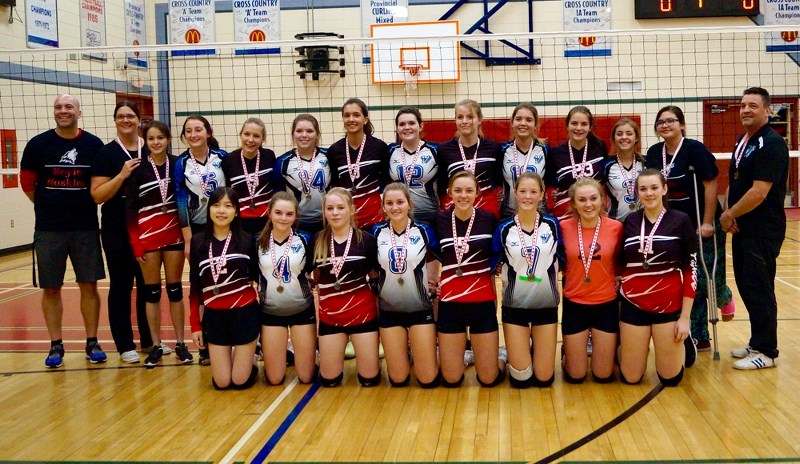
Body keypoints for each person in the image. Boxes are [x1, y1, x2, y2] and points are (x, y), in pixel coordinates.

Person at [20, 94, 107, 368]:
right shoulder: (38, 145)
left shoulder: (93, 145)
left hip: (85, 228)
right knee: (51, 288)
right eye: (58, 107)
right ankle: (56, 344)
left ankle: (92, 341)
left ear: (79, 113)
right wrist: (49, 205)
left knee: (89, 286)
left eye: (69, 107)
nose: (63, 111)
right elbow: (27, 184)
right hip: (49, 229)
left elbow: (98, 184)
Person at [645, 105, 734, 355]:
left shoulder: (694, 149)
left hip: (700, 222)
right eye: (660, 122)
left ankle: (724, 296)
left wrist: (707, 222)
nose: (665, 125)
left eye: (670, 121)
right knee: (689, 279)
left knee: (708, 278)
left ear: (681, 124)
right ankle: (700, 336)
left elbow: (710, 184)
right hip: (674, 226)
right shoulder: (653, 153)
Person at [720, 87, 789, 370]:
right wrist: (728, 211)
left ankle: (767, 351)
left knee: (760, 286)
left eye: (753, 105)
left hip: (763, 228)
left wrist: (729, 213)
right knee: (748, 285)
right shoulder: (744, 140)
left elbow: (759, 192)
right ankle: (756, 340)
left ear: (767, 110)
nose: (746, 110)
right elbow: (736, 181)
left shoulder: (772, 143)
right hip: (742, 226)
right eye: (742, 105)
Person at [619, 169, 696, 386]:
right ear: (637, 193)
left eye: (654, 188)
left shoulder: (681, 220)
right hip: (633, 303)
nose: (649, 193)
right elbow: (620, 262)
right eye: (643, 189)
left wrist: (685, 318)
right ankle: (624, 347)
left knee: (670, 380)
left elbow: (691, 269)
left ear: (664, 189)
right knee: (631, 378)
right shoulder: (630, 222)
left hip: (668, 305)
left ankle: (686, 345)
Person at [126, 121, 193, 368]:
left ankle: (180, 343)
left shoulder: (178, 164)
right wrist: (136, 243)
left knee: (175, 290)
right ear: (146, 141)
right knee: (151, 292)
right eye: (151, 138)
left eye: (160, 138)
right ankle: (155, 345)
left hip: (174, 234)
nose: (156, 142)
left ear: (168, 139)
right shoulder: (137, 168)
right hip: (148, 236)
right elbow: (131, 209)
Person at [90, 100, 153, 363]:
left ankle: (150, 342)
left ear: (139, 120)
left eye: (130, 116)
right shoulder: (106, 154)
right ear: (115, 121)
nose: (125, 120)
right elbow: (97, 195)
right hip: (117, 229)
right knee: (121, 286)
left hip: (148, 228)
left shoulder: (151, 148)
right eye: (120, 116)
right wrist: (121, 175)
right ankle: (125, 344)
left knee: (148, 286)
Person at [436, 171, 505, 387]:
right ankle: (458, 357)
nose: (463, 195)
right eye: (457, 190)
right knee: (451, 379)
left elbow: (498, 254)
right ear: (449, 193)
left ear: (477, 193)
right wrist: (430, 282)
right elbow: (429, 252)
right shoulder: (439, 220)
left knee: (488, 379)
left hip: (482, 302)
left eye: (468, 190)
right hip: (449, 304)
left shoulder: (489, 220)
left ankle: (501, 358)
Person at [492, 172, 559, 387]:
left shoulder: (553, 225)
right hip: (514, 305)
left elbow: (566, 257)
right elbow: (493, 261)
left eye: (533, 191)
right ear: (515, 194)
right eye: (522, 191)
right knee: (521, 380)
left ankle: (531, 352)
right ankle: (504, 357)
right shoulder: (504, 228)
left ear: (541, 195)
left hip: (546, 304)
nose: (527, 196)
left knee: (544, 379)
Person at [371, 183, 441, 388]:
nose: (395, 207)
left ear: (409, 204)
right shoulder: (376, 232)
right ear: (383, 207)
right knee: (398, 379)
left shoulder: (424, 230)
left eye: (400, 202)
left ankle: (441, 355)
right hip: (389, 310)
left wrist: (435, 280)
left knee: (427, 379)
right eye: (389, 203)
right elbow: (371, 265)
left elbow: (441, 255)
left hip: (420, 309)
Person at [189, 187, 260, 389]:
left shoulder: (247, 241)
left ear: (236, 211)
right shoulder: (197, 242)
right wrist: (195, 325)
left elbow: (257, 279)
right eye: (217, 205)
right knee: (221, 383)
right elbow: (195, 286)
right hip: (214, 317)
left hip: (244, 314)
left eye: (228, 206)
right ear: (209, 209)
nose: (222, 211)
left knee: (239, 382)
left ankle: (251, 359)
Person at [313, 188, 381, 387]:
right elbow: (314, 276)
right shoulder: (316, 240)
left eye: (340, 207)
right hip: (330, 317)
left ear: (352, 209)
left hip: (363, 315)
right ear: (324, 212)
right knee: (330, 381)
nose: (335, 213)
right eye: (330, 208)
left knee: (369, 380)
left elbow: (375, 275)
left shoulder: (366, 240)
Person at [558, 178, 622, 383]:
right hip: (574, 304)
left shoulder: (616, 228)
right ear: (573, 203)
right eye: (582, 200)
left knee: (603, 375)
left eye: (593, 198)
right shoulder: (562, 227)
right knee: (576, 375)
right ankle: (567, 352)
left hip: (606, 304)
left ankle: (611, 351)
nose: (588, 204)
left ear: (602, 200)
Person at [175, 115, 227, 365]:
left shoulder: (223, 158)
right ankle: (205, 342)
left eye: (198, 129)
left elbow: (231, 193)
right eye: (189, 131)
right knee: (202, 285)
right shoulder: (181, 163)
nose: (194, 134)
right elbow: (181, 201)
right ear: (184, 136)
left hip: (223, 228)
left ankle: (236, 335)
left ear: (208, 132)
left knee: (226, 280)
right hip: (197, 231)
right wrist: (187, 240)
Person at [257, 192, 317, 385]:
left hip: (302, 311)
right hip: (270, 312)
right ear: (269, 213)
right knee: (274, 379)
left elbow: (314, 272)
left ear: (295, 216)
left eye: (289, 214)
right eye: (278, 213)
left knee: (306, 377)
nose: (283, 218)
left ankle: (309, 354)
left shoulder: (306, 240)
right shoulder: (257, 242)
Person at [327, 98, 389, 230]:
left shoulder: (379, 147)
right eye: (347, 115)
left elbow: (385, 181)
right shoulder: (334, 150)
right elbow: (334, 185)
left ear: (365, 119)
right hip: (346, 217)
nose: (351, 119)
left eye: (356, 115)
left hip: (374, 217)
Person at [438, 99, 503, 219]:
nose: (465, 121)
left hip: (486, 211)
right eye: (460, 117)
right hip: (456, 209)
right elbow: (442, 186)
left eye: (470, 117)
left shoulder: (493, 147)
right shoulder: (444, 149)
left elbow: (498, 182)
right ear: (455, 120)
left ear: (479, 120)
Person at [546, 106, 608, 220]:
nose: (578, 128)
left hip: (593, 210)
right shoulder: (556, 152)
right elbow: (550, 183)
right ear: (567, 125)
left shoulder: (599, 147)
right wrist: (552, 192)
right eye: (574, 123)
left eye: (584, 124)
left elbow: (605, 179)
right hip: (565, 212)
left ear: (590, 127)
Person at [275, 114, 330, 234]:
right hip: (296, 223)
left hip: (327, 221)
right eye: (299, 131)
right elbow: (278, 195)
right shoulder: (282, 162)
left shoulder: (329, 156)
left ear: (317, 134)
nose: (304, 135)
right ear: (293, 134)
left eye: (309, 131)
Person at [221, 117, 277, 235]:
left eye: (256, 136)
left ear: (263, 139)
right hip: (239, 222)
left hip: (266, 221)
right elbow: (226, 191)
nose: (250, 140)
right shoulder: (229, 160)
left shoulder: (269, 156)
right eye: (247, 134)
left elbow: (275, 186)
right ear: (240, 135)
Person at [387, 107, 439, 226]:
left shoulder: (435, 150)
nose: (406, 127)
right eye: (401, 124)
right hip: (398, 215)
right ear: (397, 128)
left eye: (411, 123)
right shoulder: (390, 151)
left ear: (420, 126)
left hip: (428, 215)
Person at [500, 103, 548, 218]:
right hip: (509, 212)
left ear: (535, 125)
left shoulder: (545, 150)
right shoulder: (502, 150)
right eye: (518, 119)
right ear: (512, 123)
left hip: (538, 211)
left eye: (529, 120)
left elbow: (551, 181)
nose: (523, 123)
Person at [603, 118, 644, 222]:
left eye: (629, 133)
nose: (624, 137)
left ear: (636, 138)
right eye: (619, 134)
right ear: (614, 138)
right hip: (616, 222)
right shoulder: (607, 165)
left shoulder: (646, 163)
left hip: (644, 221)